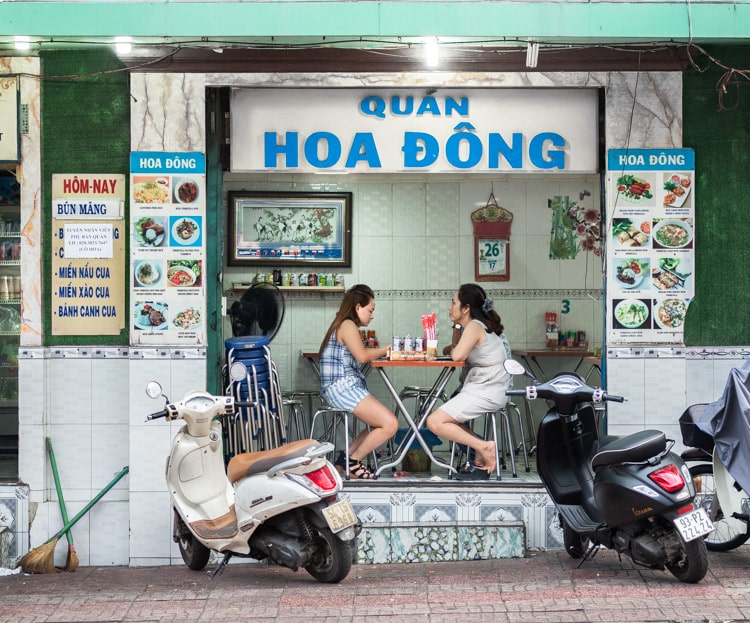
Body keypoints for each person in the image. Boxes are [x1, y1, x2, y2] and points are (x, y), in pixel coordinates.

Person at [426, 283, 511, 480]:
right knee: (446, 418)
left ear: (466, 308)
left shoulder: (474, 326)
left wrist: (456, 332)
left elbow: (456, 354)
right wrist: (457, 326)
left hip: (488, 389)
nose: (450, 307)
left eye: (453, 303)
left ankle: (484, 447)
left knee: (434, 421)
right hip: (485, 386)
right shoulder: (475, 325)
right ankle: (480, 454)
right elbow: (455, 349)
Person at [319, 284, 398, 479]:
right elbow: (362, 356)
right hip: (342, 388)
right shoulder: (347, 325)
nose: (372, 315)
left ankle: (344, 460)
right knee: (390, 424)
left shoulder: (343, 324)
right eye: (370, 310)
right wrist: (386, 349)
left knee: (377, 424)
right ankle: (353, 462)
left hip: (341, 387)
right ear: (357, 307)